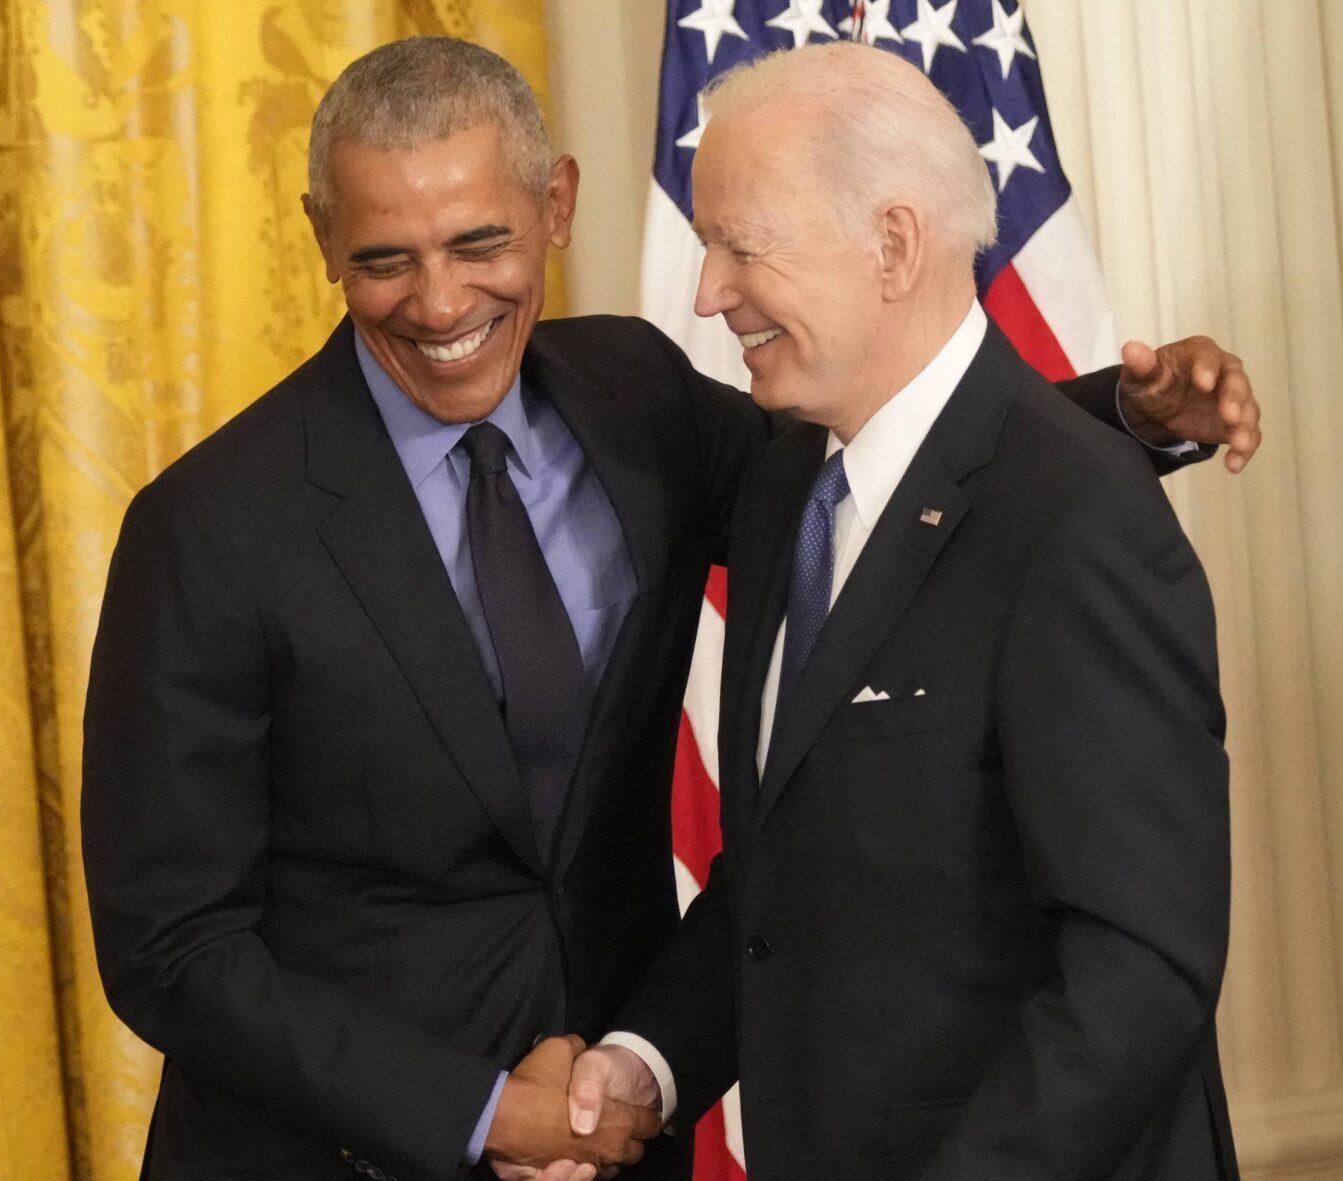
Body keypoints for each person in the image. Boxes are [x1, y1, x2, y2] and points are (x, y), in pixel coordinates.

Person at [79, 36, 1257, 1181]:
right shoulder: (208, 529)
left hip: (629, 1134)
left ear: (556, 206)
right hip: (336, 1151)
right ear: (323, 240)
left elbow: (913, 475)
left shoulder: (637, 398)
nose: (439, 302)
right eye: (385, 258)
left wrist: (1126, 421)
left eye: (479, 241)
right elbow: (170, 944)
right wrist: (479, 1109)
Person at [566, 42, 1238, 1180]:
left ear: (890, 244)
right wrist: (648, 1056)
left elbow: (1135, 967)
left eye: (740, 244)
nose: (707, 291)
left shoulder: (1076, 520)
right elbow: (789, 876)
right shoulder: (788, 491)